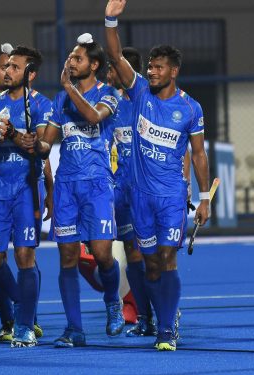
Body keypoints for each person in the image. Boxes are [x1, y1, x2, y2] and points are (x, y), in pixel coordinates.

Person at [104, 0, 211, 351]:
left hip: (170, 198)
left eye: (158, 67)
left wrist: (205, 196)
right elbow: (117, 57)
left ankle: (167, 327)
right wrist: (111, 21)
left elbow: (197, 154)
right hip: (140, 198)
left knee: (167, 258)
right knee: (150, 265)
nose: (151, 72)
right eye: (149, 67)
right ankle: (161, 314)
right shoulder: (138, 94)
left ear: (173, 71)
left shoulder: (190, 108)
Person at [29, 33, 125, 348]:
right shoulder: (59, 100)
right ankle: (74, 329)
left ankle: (113, 299)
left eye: (77, 58)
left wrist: (70, 88)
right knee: (67, 256)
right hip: (67, 184)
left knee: (101, 254)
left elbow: (94, 116)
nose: (71, 62)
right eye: (70, 58)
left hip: (98, 184)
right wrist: (33, 143)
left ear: (94, 65)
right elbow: (48, 144)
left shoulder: (109, 93)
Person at [0, 45, 54, 348]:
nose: (7, 71)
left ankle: (25, 326)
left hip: (26, 190)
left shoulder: (43, 105)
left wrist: (13, 134)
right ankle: (23, 305)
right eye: (6, 66)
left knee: (24, 256)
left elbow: (42, 148)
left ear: (30, 73)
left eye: (14, 67)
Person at [106, 48, 158, 336]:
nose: (107, 74)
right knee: (132, 254)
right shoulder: (111, 107)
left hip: (148, 190)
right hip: (122, 190)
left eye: (112, 68)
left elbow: (183, 149)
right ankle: (144, 316)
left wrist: (185, 183)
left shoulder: (148, 103)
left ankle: (166, 314)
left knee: (153, 256)